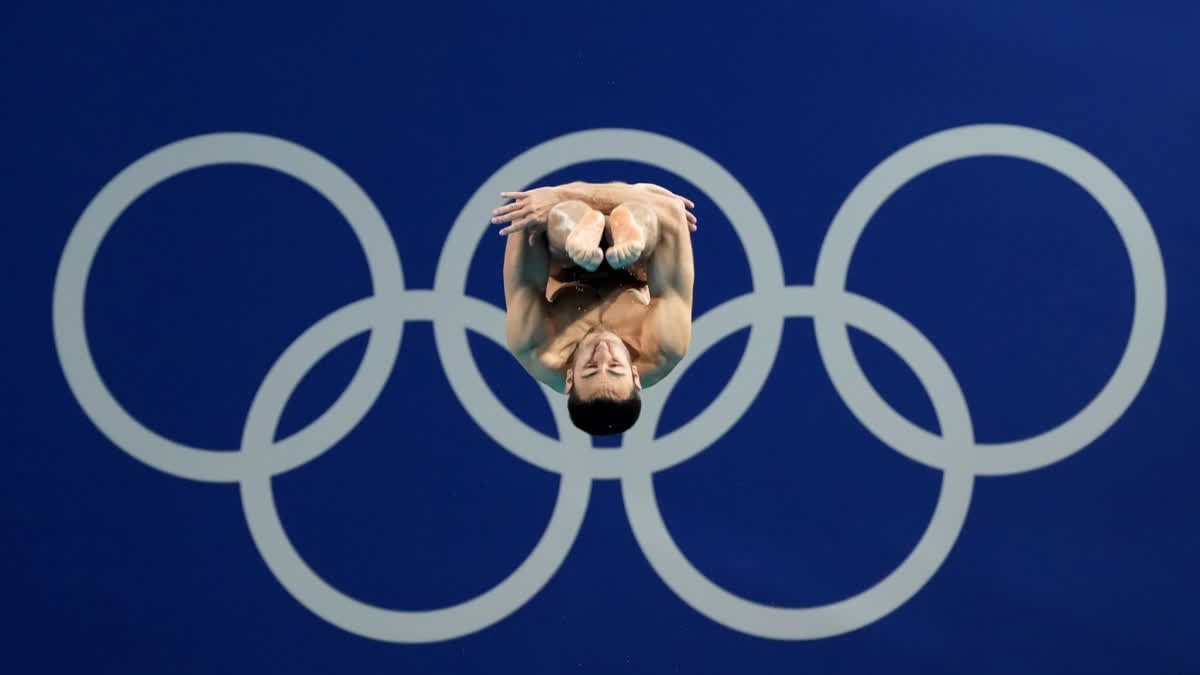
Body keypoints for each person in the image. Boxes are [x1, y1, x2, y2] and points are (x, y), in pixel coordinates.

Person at [493, 181, 697, 436]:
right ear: (635, 376)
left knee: (561, 222)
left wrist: (557, 198)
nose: (602, 353)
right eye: (615, 367)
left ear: (569, 379)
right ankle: (626, 228)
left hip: (566, 262)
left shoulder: (535, 346)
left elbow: (525, 219)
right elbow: (673, 213)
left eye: (590, 368)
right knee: (642, 220)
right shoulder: (664, 346)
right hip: (632, 267)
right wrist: (641, 198)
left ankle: (580, 230)